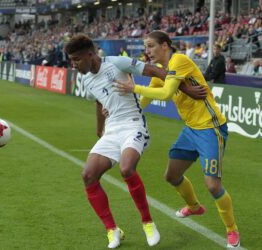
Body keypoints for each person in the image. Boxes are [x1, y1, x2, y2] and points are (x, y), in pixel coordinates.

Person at [64, 34, 205, 249]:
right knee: (88, 175)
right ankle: (112, 230)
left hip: (133, 125)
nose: (73, 64)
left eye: (76, 59)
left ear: (90, 55)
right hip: (112, 130)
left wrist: (187, 89)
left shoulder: (116, 62)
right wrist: (99, 129)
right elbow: (99, 102)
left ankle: (148, 223)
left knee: (127, 168)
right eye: (71, 60)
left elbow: (157, 71)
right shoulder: (85, 78)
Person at [114, 30, 240, 249]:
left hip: (211, 128)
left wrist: (133, 87)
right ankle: (193, 206)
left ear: (165, 45)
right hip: (191, 129)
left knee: (212, 185)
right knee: (172, 175)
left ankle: (232, 232)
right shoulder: (159, 71)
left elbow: (165, 94)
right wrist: (126, 112)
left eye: (151, 46)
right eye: (146, 47)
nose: (148, 51)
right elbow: (146, 98)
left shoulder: (179, 60)